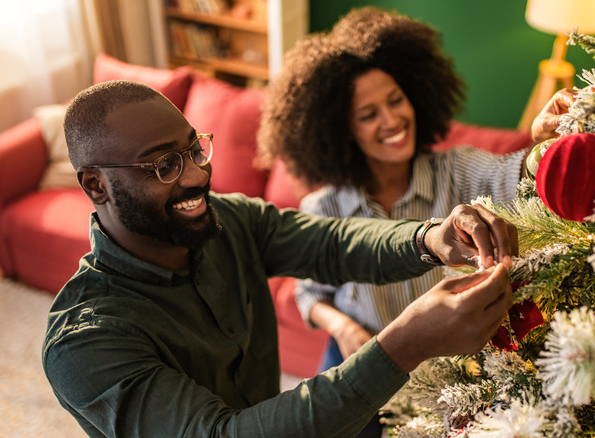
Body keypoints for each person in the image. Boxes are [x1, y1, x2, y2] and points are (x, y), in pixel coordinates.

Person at [41, 79, 520, 437]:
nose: (195, 177)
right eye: (164, 165)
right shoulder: (85, 343)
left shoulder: (228, 219)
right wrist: (403, 345)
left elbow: (330, 243)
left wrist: (429, 238)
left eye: (194, 149)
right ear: (95, 185)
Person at [256, 6, 531, 398]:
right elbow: (310, 295)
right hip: (359, 353)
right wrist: (344, 328)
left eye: (396, 100)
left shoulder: (454, 169)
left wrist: (539, 153)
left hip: (442, 367)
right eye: (368, 114)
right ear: (343, 129)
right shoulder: (323, 207)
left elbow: (509, 174)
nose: (391, 121)